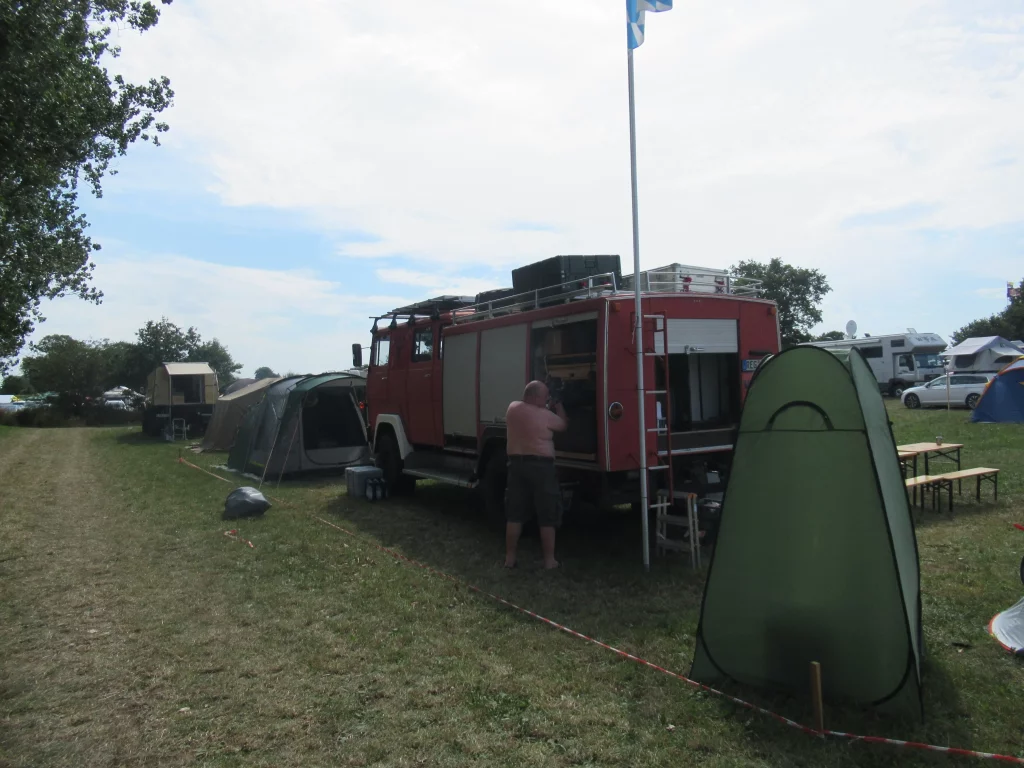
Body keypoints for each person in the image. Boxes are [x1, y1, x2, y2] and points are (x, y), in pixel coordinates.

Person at [503, 380, 568, 569]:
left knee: (514, 514)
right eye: (544, 396)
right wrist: (559, 406)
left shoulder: (513, 408)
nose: (547, 398)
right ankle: (549, 560)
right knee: (547, 513)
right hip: (541, 468)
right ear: (533, 396)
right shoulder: (545, 415)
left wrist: (547, 405)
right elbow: (563, 425)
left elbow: (530, 414)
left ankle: (510, 558)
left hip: (516, 466)